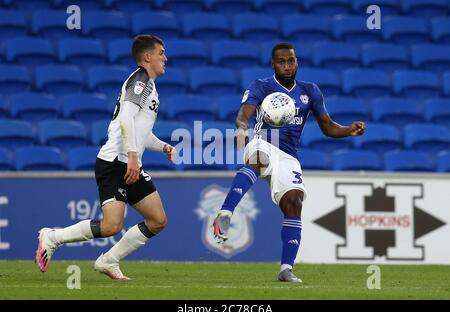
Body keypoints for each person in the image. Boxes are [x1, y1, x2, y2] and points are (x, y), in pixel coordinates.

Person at [212, 42, 365, 283]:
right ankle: (226, 211)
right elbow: (244, 114)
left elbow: (327, 126)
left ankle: (286, 269)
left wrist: (348, 130)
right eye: (281, 62)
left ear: (297, 62)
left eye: (290, 61)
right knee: (259, 159)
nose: (286, 66)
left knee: (294, 202)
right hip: (263, 140)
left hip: (289, 155)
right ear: (273, 64)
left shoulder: (310, 91)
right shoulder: (261, 86)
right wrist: (241, 130)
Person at [36, 35, 176, 280]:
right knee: (112, 226)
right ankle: (52, 237)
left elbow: (141, 131)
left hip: (129, 162)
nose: (165, 58)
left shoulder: (150, 86)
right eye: (161, 53)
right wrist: (132, 155)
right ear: (147, 57)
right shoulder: (140, 79)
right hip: (115, 162)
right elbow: (125, 119)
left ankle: (109, 260)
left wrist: (162, 146)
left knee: (157, 220)